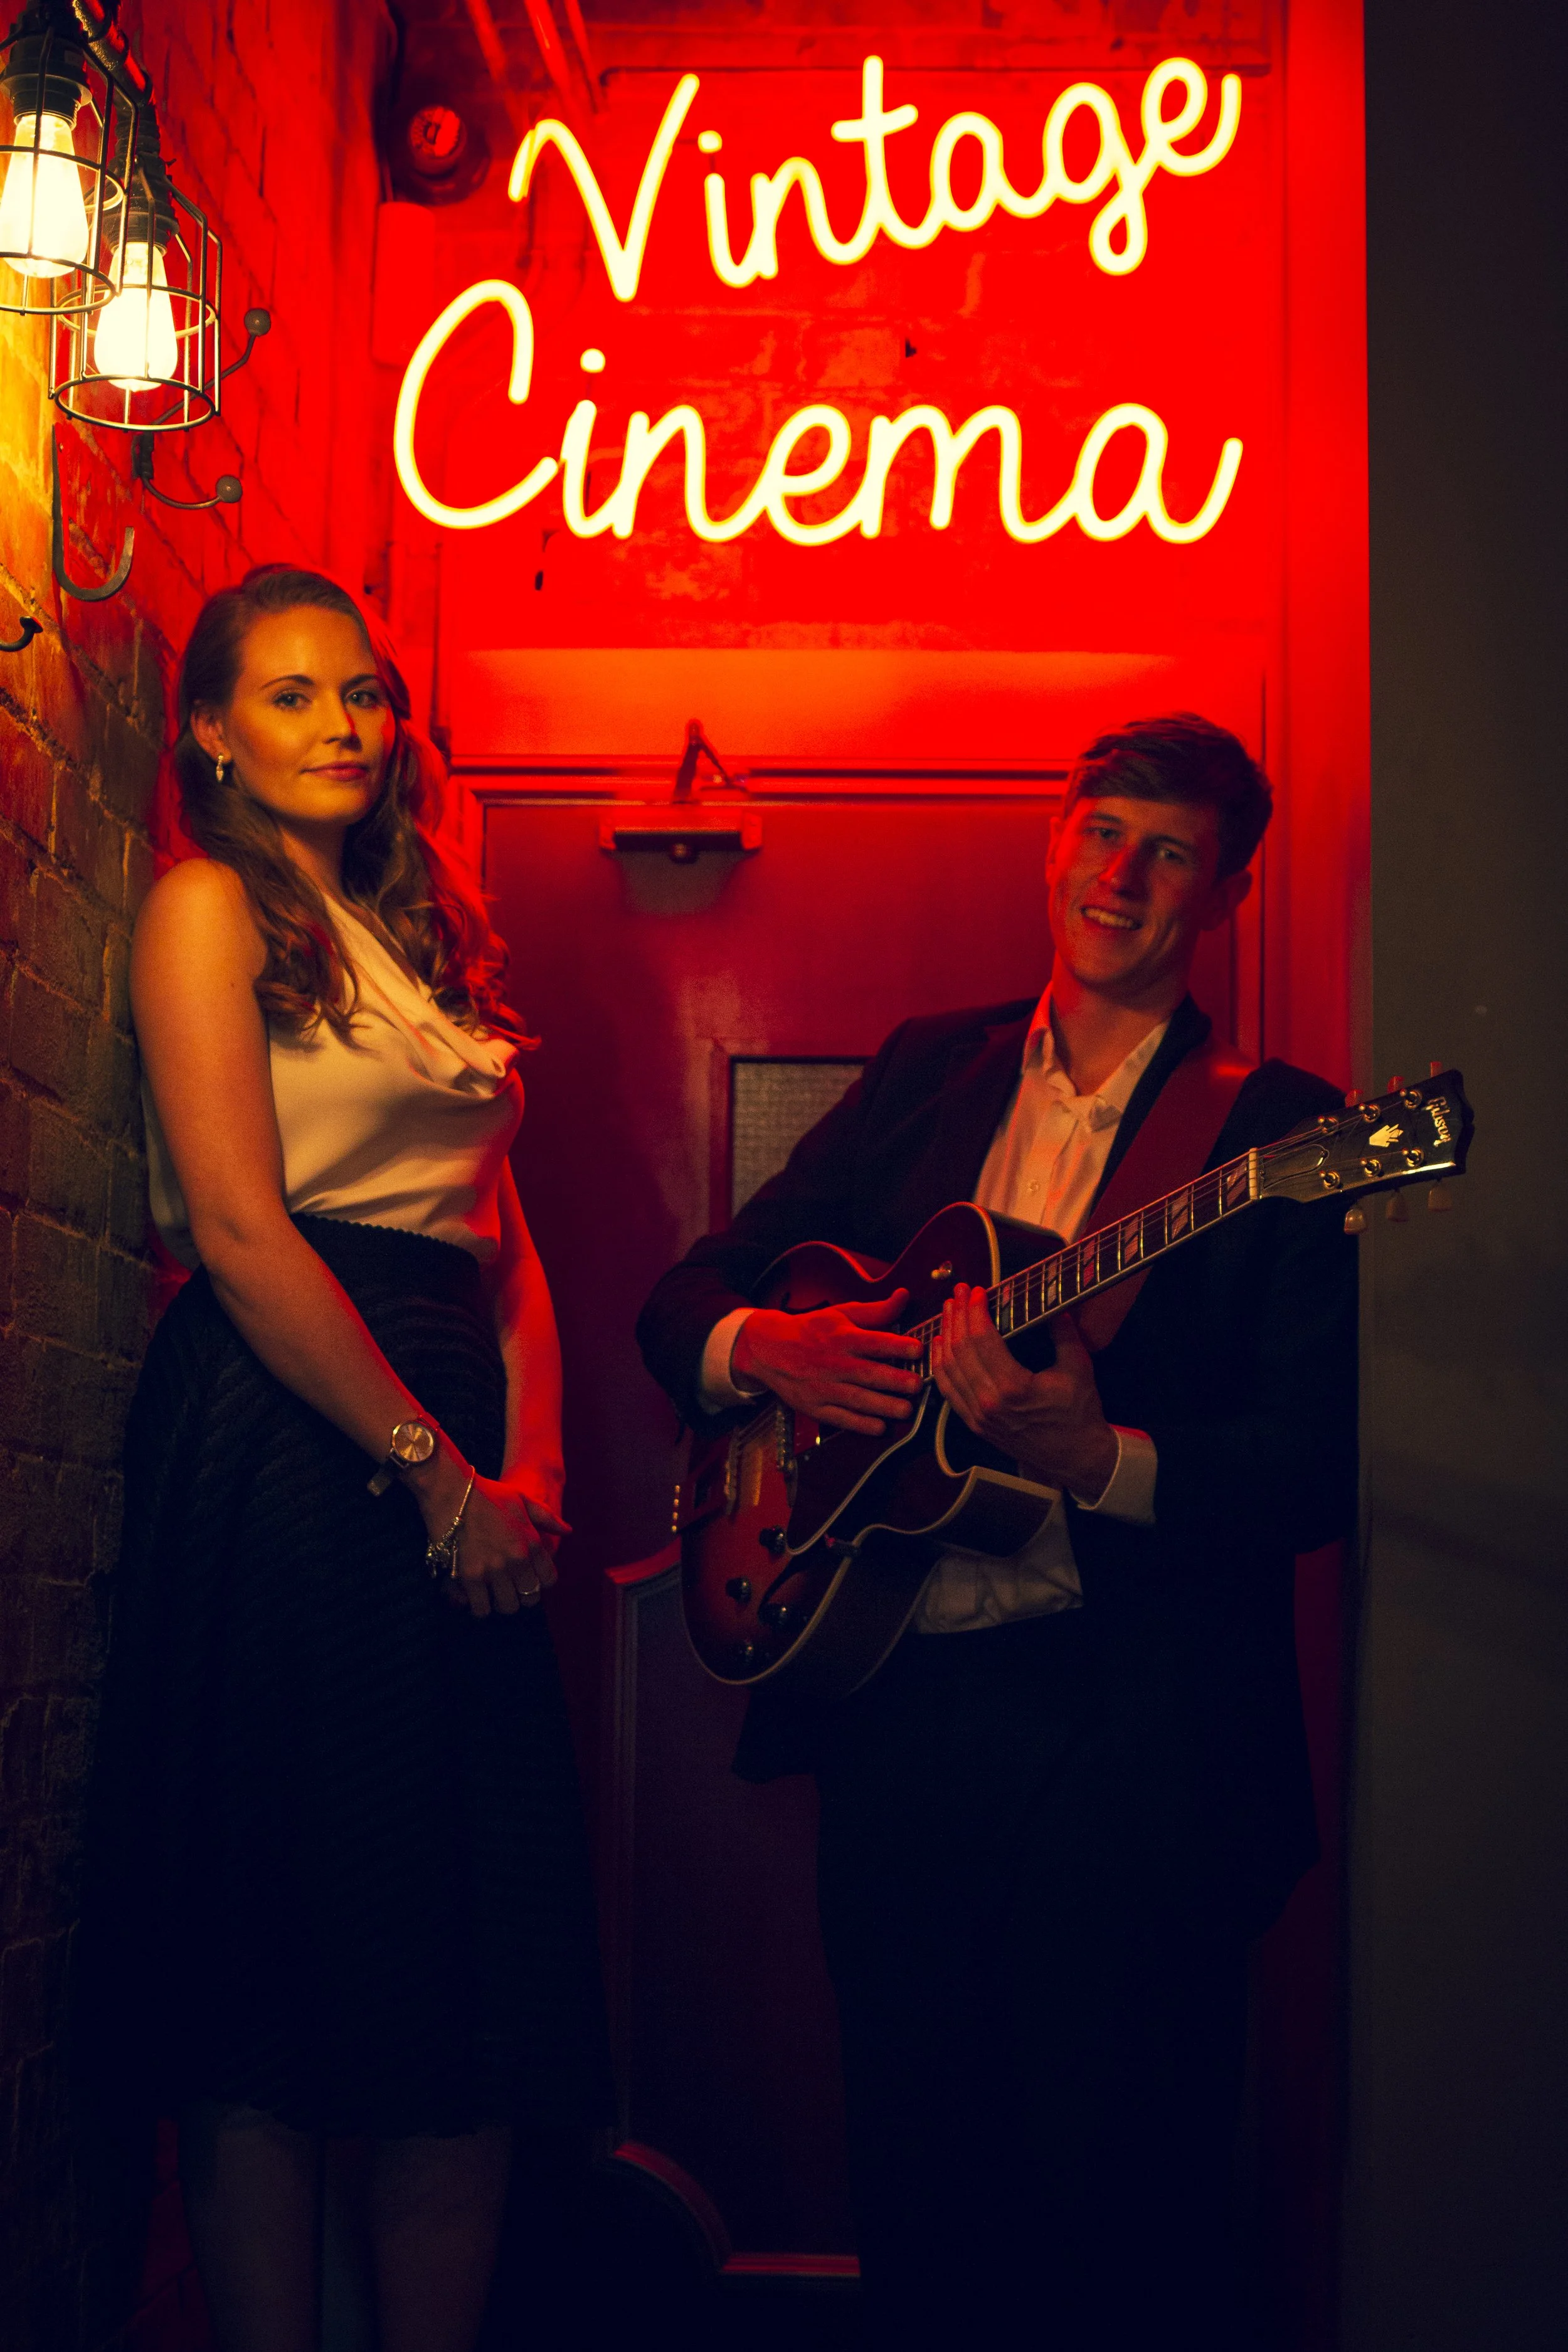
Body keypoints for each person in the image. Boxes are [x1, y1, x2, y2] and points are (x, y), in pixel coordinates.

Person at [636, 715, 1358, 2350]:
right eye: (1100, 831)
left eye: (1165, 851)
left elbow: (1312, 1471)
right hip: (902, 1724)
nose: (1120, 874)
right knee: (920, 2189)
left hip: (1140, 1750)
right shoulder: (926, 1070)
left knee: (1127, 2218)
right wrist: (771, 1347)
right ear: (1053, 841)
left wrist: (1094, 1457)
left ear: (1222, 893)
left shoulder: (1274, 1132)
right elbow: (689, 1290)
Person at [77, 566, 610, 2352]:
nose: (342, 725)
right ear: (212, 731)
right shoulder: (203, 904)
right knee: (280, 1944)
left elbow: (505, 1241)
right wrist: (431, 1473)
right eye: (293, 696)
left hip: (447, 1427)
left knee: (455, 1952)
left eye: (363, 692)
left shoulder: (423, 936)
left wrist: (526, 1468)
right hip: (289, 1439)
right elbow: (236, 1230)